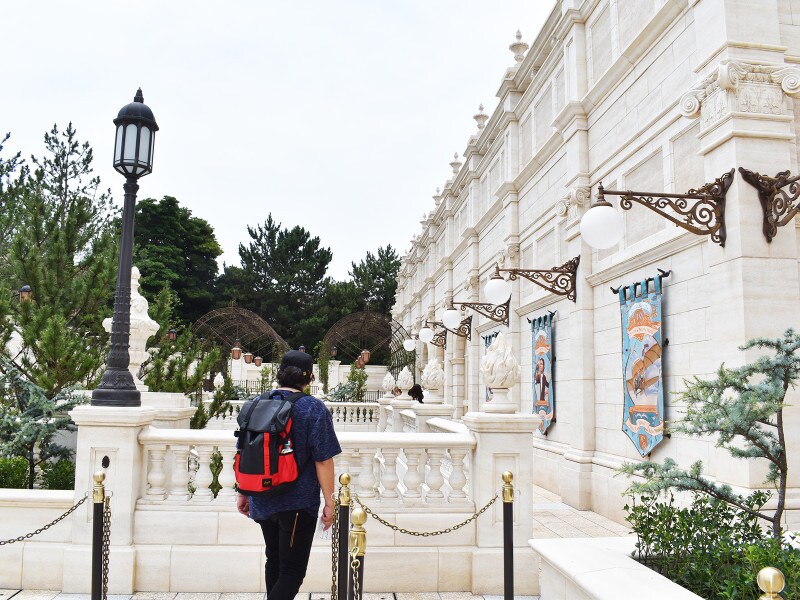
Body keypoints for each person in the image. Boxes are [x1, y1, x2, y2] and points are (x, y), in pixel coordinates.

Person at [236, 350, 341, 600]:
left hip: (261, 495)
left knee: (274, 560)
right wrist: (330, 501)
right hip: (297, 503)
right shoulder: (313, 408)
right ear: (310, 377)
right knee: (292, 571)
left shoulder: (257, 403)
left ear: (279, 373)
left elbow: (244, 450)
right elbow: (323, 460)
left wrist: (243, 492)